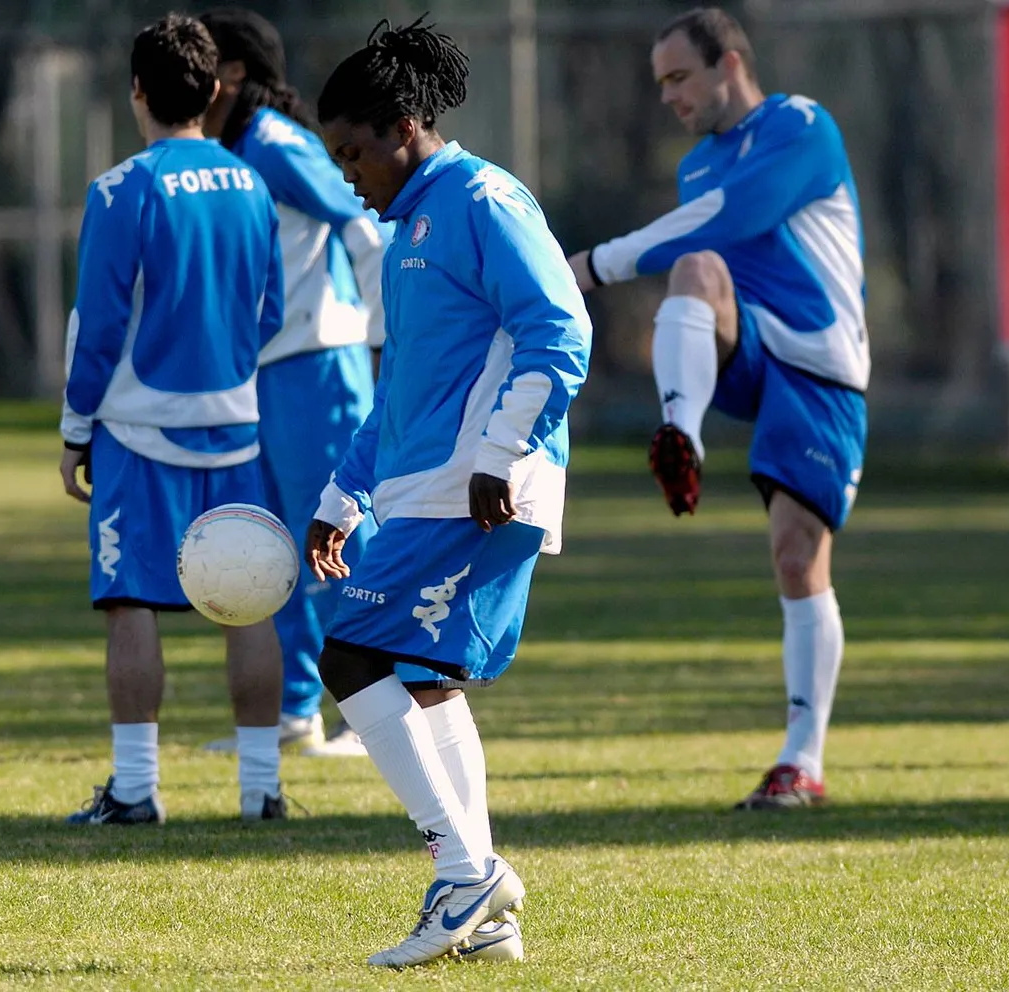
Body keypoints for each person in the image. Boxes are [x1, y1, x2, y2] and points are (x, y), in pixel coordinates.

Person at [308, 18, 592, 966]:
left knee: (348, 652)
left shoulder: (482, 197)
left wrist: (501, 455)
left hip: (482, 490)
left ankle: (466, 870)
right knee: (425, 682)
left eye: (354, 151)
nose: (349, 172)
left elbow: (562, 328)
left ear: (403, 126)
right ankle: (487, 915)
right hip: (432, 486)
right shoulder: (410, 228)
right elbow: (400, 392)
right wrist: (345, 496)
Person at [566, 7, 867, 810]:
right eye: (660, 82)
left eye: (678, 77)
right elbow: (706, 235)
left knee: (798, 558)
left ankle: (802, 760)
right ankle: (682, 436)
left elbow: (734, 216)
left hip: (820, 360)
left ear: (729, 63)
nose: (668, 96)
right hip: (748, 348)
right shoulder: (697, 165)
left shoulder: (800, 125)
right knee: (697, 269)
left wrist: (593, 264)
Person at [58, 14, 288, 825]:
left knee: (130, 602)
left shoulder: (123, 188)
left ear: (138, 93)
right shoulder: (251, 183)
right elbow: (271, 311)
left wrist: (75, 427)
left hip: (138, 431)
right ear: (213, 89)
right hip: (236, 427)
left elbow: (97, 323)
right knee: (250, 600)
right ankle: (261, 789)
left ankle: (135, 790)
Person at [197, 7, 387, 757]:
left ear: (235, 73)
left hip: (321, 362)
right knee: (279, 543)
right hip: (272, 372)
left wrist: (379, 337)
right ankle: (297, 711)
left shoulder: (274, 142)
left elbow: (365, 219)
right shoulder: (236, 145)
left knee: (345, 535)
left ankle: (375, 716)